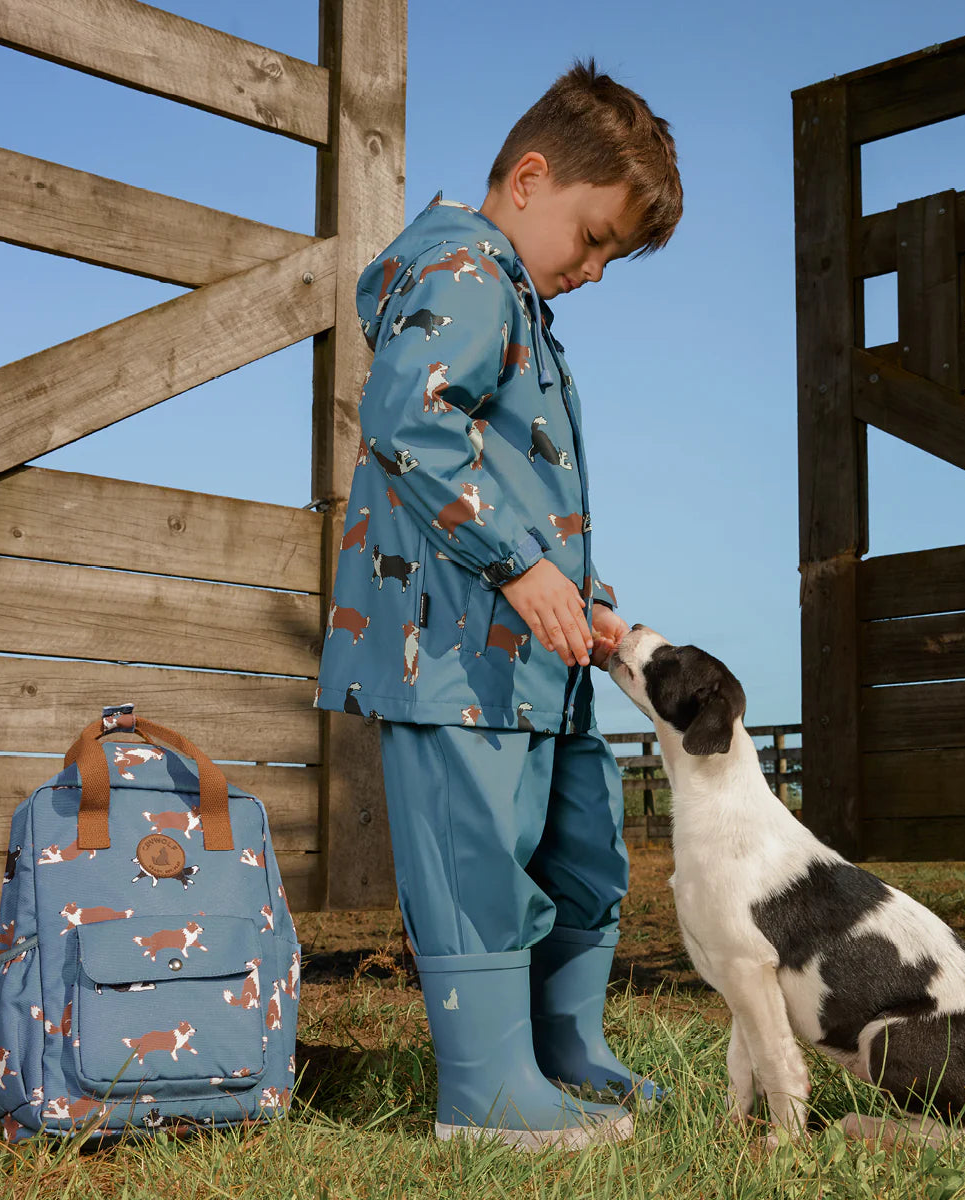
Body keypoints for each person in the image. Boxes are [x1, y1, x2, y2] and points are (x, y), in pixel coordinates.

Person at [315, 59, 682, 1149]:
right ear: (529, 179)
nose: (595, 270)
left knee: (582, 843)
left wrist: (582, 596)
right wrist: (520, 566)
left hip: (531, 661)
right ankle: (487, 1090)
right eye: (595, 237)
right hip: (454, 655)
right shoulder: (465, 271)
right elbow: (411, 418)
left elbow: (523, 482)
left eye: (613, 254)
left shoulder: (518, 301)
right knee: (477, 855)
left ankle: (562, 1051)